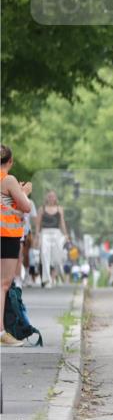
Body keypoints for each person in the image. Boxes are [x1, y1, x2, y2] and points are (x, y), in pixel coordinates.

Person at [1, 144, 34, 346]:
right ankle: (2, 333)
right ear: (10, 162)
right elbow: (26, 207)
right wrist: (25, 191)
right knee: (3, 284)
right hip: (6, 236)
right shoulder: (9, 179)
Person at [37, 189, 69, 287]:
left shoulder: (59, 209)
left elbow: (62, 222)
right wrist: (37, 235)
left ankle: (53, 276)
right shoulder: (42, 208)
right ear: (47, 198)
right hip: (45, 233)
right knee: (45, 256)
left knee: (57, 256)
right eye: (49, 196)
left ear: (56, 198)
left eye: (53, 196)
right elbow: (38, 223)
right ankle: (47, 280)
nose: (51, 198)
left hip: (56, 232)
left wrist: (66, 235)